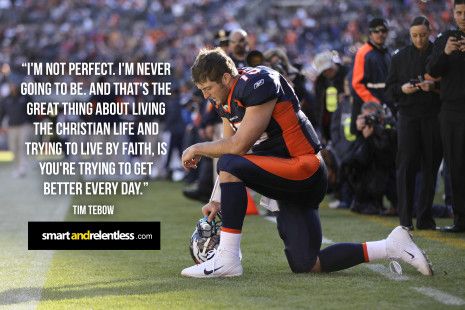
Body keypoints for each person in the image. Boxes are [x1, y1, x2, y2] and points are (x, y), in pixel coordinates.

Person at [180, 47, 432, 278]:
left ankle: (228, 258)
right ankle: (391, 246)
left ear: (226, 78)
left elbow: (237, 148)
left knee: (231, 163)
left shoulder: (258, 83)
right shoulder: (224, 99)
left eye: (207, 88)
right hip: (285, 178)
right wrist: (217, 198)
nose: (205, 95)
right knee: (307, 264)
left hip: (303, 169)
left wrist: (195, 148)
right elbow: (229, 146)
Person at [385, 16, 442, 231]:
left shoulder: (439, 54)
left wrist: (433, 88)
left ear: (430, 31)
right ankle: (405, 219)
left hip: (433, 116)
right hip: (408, 117)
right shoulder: (399, 58)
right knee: (406, 167)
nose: (419, 39)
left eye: (423, 35)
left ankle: (425, 217)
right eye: (415, 36)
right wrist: (402, 89)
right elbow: (389, 90)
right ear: (410, 35)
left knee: (431, 167)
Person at [427, 0, 465, 233]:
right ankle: (461, 220)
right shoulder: (445, 39)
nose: (463, 17)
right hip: (451, 111)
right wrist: (446, 52)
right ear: (453, 14)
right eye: (459, 12)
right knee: (456, 166)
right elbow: (431, 70)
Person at [351, 17, 392, 134]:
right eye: (376, 31)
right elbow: (357, 84)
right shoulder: (363, 53)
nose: (380, 34)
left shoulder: (388, 52)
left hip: (386, 104)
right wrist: (375, 105)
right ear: (370, 34)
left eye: (383, 31)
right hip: (368, 108)